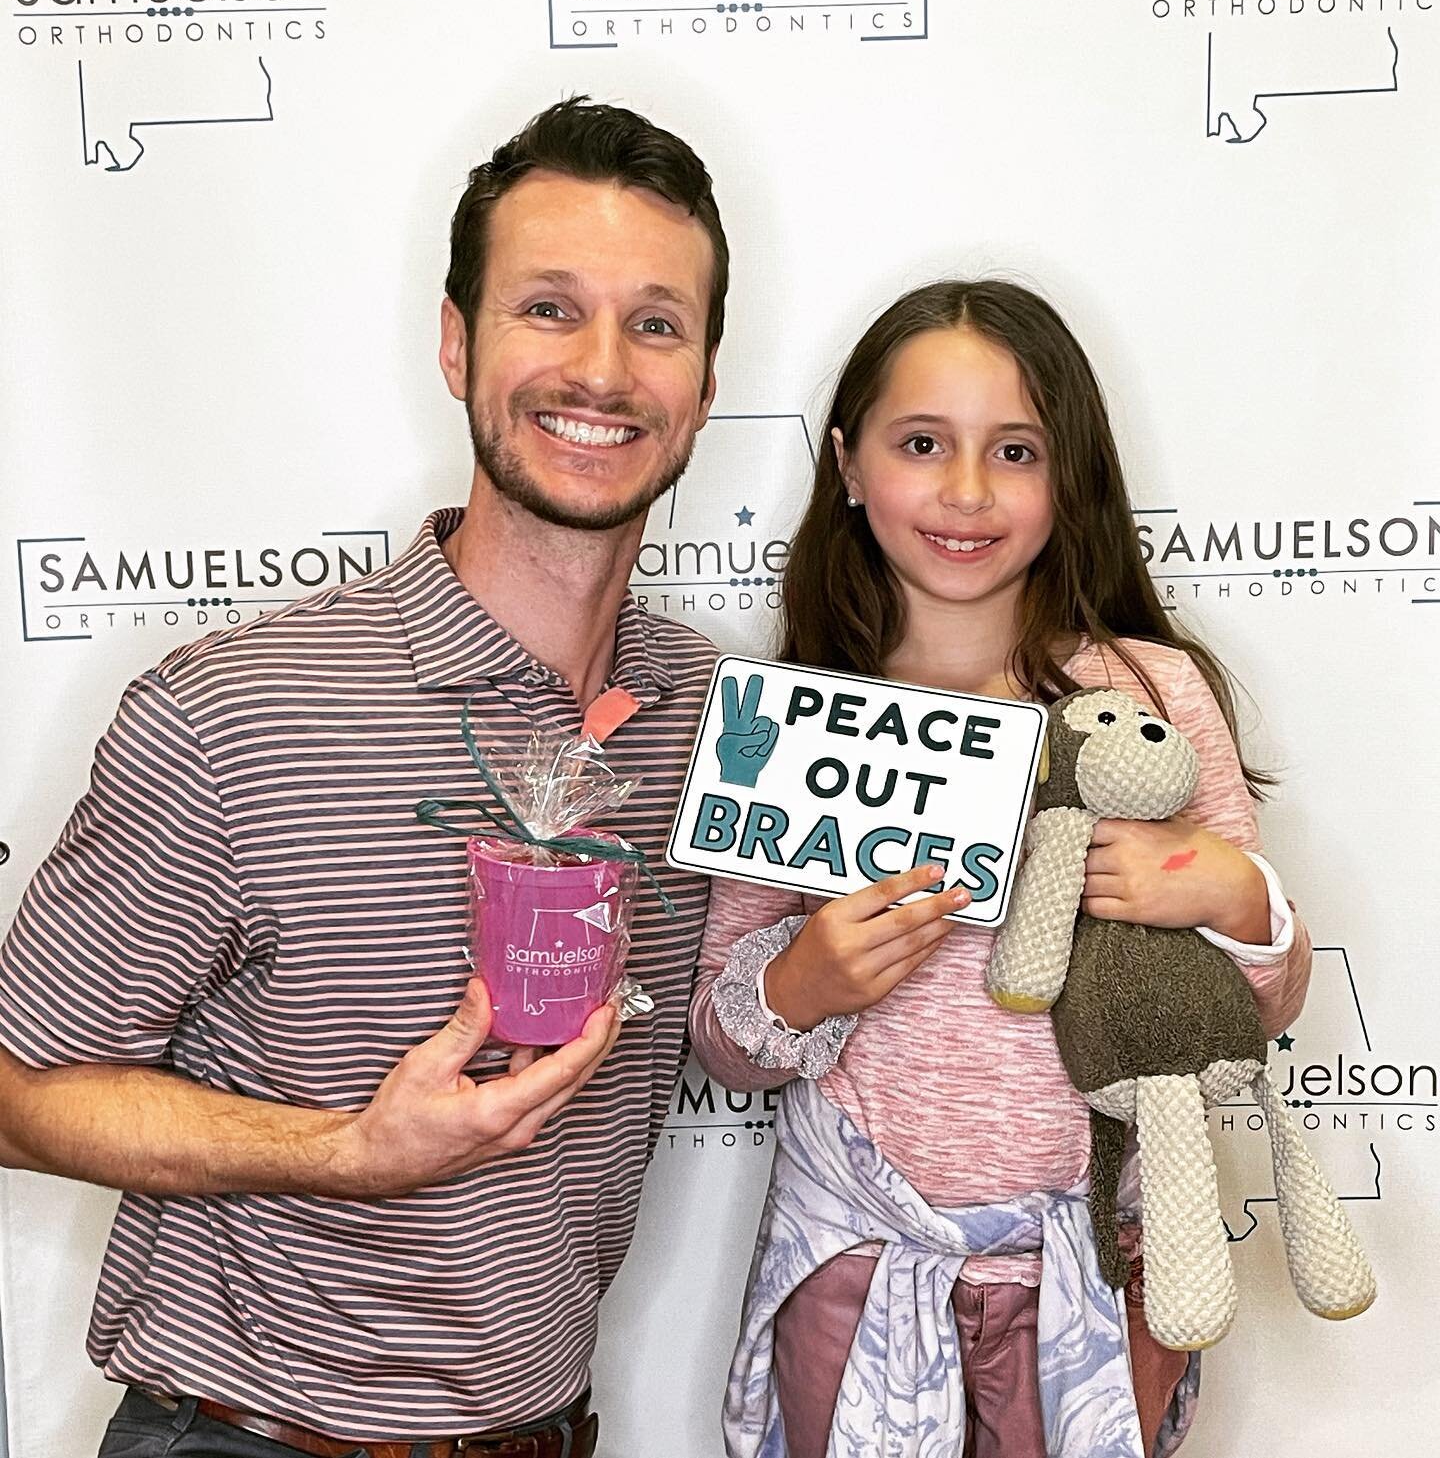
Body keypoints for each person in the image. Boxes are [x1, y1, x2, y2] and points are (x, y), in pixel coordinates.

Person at [0, 97, 726, 1458]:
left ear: (703, 380)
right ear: (458, 344)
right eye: (548, 309)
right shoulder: (235, 711)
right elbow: (14, 1089)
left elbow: (779, 1006)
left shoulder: (706, 717)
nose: (603, 369)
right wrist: (346, 1151)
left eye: (657, 323)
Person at [689, 280, 1311, 1458]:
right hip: (861, 1262)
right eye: (922, 443)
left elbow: (1263, 1002)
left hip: (1095, 1262)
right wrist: (805, 979)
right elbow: (725, 1030)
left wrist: (1232, 897)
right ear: (849, 465)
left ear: (1066, 475)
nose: (966, 492)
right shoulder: (794, 726)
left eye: (1014, 450)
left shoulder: (1152, 696)